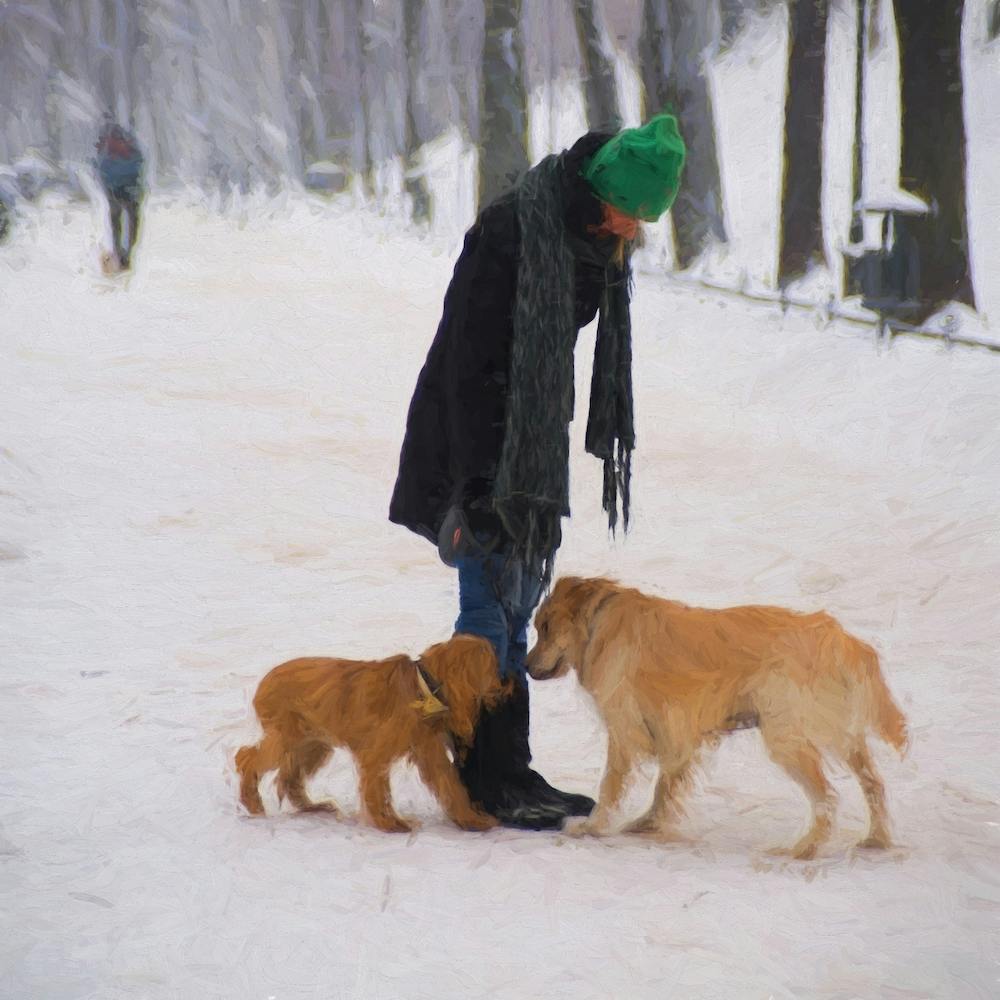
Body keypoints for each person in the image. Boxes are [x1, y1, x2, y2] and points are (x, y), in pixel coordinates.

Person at [389, 115, 686, 829]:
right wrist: (476, 485)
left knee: (519, 609)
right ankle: (484, 775)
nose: (635, 231)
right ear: (606, 191)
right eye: (633, 214)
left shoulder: (583, 236)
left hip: (528, 444)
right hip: (478, 443)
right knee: (487, 614)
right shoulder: (514, 233)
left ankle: (510, 768)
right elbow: (472, 363)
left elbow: (550, 346)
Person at [94, 117, 145, 271]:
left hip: (130, 193)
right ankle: (119, 253)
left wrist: (129, 187)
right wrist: (111, 189)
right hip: (115, 193)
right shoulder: (107, 157)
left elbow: (137, 172)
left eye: (115, 140)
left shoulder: (133, 154)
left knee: (132, 222)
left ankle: (127, 254)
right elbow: (103, 174)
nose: (112, 143)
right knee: (116, 223)